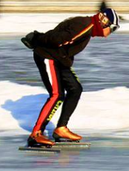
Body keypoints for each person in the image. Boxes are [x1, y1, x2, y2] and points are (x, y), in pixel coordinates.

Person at [20, 8, 120, 147]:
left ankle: (61, 129)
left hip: (59, 59)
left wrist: (65, 61)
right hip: (47, 56)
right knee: (56, 95)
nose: (111, 33)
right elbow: (57, 39)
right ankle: (36, 133)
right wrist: (37, 38)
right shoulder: (85, 26)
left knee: (75, 89)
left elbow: (63, 42)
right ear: (104, 21)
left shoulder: (88, 28)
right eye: (113, 28)